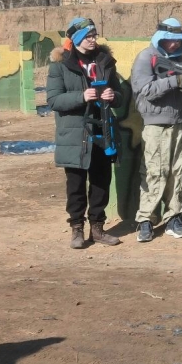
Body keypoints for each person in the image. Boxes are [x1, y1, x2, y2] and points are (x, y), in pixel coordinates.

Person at [47, 17, 122, 248]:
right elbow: (53, 100)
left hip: (103, 130)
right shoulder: (61, 64)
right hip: (74, 134)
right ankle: (77, 229)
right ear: (77, 38)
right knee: (76, 185)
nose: (93, 40)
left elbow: (120, 95)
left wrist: (113, 96)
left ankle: (97, 229)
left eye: (94, 35)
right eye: (88, 36)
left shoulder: (105, 61)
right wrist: (81, 96)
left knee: (101, 183)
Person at [131, 18, 182, 242]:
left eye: (178, 41)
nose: (174, 45)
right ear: (160, 39)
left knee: (177, 172)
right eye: (170, 41)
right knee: (154, 173)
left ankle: (174, 217)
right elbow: (144, 90)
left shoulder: (179, 59)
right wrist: (174, 82)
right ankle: (145, 220)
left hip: (178, 123)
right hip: (154, 125)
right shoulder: (146, 57)